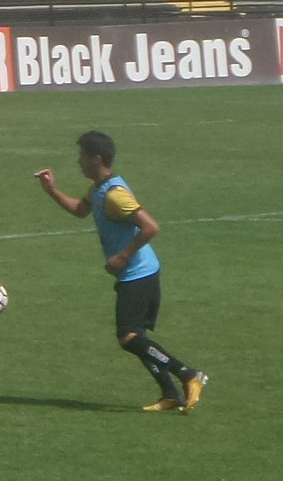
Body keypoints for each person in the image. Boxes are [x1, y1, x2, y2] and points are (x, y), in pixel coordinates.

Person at [38, 130, 208, 413]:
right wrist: (51, 190)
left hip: (138, 275)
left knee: (128, 337)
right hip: (137, 273)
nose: (78, 161)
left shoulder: (115, 195)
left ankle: (188, 374)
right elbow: (80, 210)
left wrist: (122, 256)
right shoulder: (97, 189)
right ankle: (170, 394)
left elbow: (150, 226)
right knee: (137, 338)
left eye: (82, 156)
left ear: (97, 158)